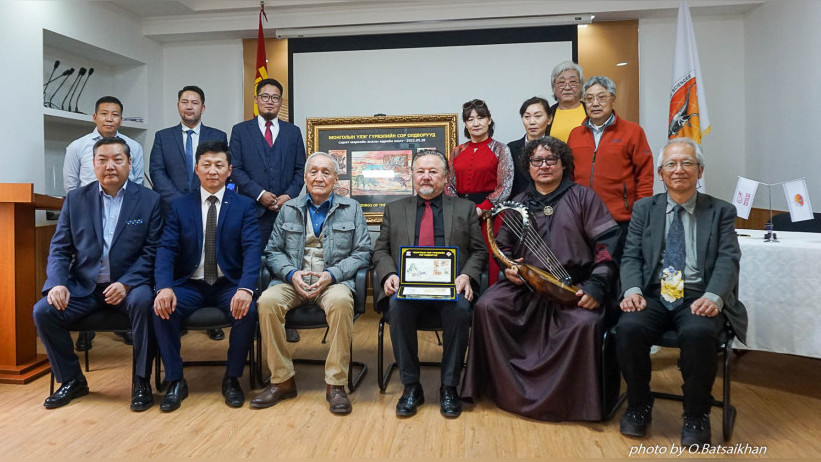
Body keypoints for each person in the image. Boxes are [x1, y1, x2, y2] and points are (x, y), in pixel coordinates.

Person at [461, 136, 621, 421]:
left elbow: (607, 246)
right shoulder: (519, 202)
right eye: (537, 161)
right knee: (487, 307)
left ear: (563, 164)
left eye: (551, 160)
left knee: (584, 323)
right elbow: (503, 246)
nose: (544, 166)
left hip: (572, 287)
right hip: (526, 287)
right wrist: (509, 267)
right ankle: (502, 390)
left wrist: (596, 286)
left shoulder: (583, 197)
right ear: (528, 167)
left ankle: (575, 403)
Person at [616, 138, 748, 446]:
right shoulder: (644, 209)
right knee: (629, 327)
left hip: (698, 295)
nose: (679, 170)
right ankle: (638, 404)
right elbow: (631, 255)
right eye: (671, 164)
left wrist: (714, 296)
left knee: (699, 334)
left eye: (687, 163)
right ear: (661, 173)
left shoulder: (721, 211)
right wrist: (632, 289)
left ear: (700, 171)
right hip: (653, 292)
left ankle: (696, 413)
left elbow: (729, 259)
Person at [33, 137, 162, 411]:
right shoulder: (76, 200)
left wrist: (126, 283)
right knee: (44, 311)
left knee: (143, 302)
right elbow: (59, 249)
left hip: (131, 285)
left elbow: (152, 251)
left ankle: (141, 381)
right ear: (93, 164)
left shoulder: (150, 201)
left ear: (129, 163)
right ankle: (72, 379)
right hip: (85, 286)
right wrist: (56, 283)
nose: (110, 166)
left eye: (117, 159)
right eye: (102, 160)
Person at [250, 152, 372, 414]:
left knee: (340, 302)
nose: (319, 177)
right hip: (294, 279)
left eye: (326, 172)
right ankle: (282, 380)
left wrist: (332, 275)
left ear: (336, 179)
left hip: (332, 281)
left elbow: (363, 251)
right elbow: (272, 251)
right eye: (313, 172)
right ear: (304, 177)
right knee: (267, 301)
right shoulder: (289, 209)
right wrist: (291, 273)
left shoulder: (352, 208)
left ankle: (335, 384)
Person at [373, 150, 487, 419]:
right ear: (411, 176)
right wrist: (389, 274)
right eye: (420, 171)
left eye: (433, 172)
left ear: (445, 177)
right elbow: (380, 251)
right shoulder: (394, 209)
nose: (426, 177)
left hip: (449, 288)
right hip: (406, 288)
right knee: (397, 307)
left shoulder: (464, 209)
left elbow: (479, 251)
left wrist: (467, 276)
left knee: (460, 310)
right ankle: (411, 387)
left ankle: (449, 387)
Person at [152, 140, 261, 412]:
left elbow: (252, 251)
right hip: (190, 284)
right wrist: (163, 287)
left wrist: (246, 289)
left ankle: (232, 378)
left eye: (219, 165)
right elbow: (165, 249)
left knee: (248, 310)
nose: (213, 171)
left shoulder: (244, 206)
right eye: (207, 165)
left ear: (229, 170)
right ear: (197, 169)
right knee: (161, 309)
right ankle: (176, 379)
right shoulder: (179, 206)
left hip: (228, 284)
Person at [64, 95, 146, 352]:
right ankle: (85, 331)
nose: (109, 118)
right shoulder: (77, 147)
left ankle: (126, 326)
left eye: (115, 114)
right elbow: (71, 186)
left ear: (121, 119)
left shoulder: (133, 146)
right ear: (95, 117)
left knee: (125, 273)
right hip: (87, 218)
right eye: (104, 113)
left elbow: (138, 183)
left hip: (123, 213)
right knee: (86, 271)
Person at [148, 85, 228, 342]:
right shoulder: (163, 136)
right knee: (180, 258)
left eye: (195, 102)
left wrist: (202, 199)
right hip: (173, 211)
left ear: (203, 108)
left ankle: (212, 321)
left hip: (211, 207)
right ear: (178, 105)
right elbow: (157, 172)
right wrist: (181, 203)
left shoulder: (218, 135)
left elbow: (221, 170)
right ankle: (179, 309)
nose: (189, 106)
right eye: (185, 101)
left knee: (210, 255)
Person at [230, 77, 305, 343]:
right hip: (251, 211)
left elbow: (300, 170)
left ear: (281, 103)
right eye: (265, 96)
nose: (269, 101)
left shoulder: (293, 132)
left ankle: (284, 320)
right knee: (251, 263)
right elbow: (235, 169)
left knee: (285, 264)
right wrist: (260, 194)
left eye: (275, 98)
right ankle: (253, 320)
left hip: (286, 212)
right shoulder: (240, 131)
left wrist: (288, 196)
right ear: (256, 100)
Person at [567, 75, 654, 233]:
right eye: (589, 98)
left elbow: (645, 176)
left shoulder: (633, 132)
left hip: (621, 220)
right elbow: (569, 176)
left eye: (601, 98)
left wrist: (641, 213)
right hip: (583, 219)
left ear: (612, 98)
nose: (595, 104)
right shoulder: (575, 134)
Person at [445, 99, 513, 285]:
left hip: (492, 215)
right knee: (460, 258)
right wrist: (462, 210)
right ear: (466, 124)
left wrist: (481, 209)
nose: (476, 123)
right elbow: (449, 184)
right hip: (460, 214)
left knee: (492, 262)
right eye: (470, 119)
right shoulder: (457, 151)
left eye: (480, 117)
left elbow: (505, 185)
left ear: (489, 120)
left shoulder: (500, 149)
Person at [507, 96, 554, 197]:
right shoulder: (511, 148)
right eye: (527, 117)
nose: (532, 122)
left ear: (549, 119)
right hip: (519, 206)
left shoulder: (557, 148)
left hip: (550, 204)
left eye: (538, 116)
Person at [547, 61, 587, 142]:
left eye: (572, 82)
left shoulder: (591, 111)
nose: (567, 87)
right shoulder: (547, 114)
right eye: (561, 82)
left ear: (581, 86)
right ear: (554, 87)